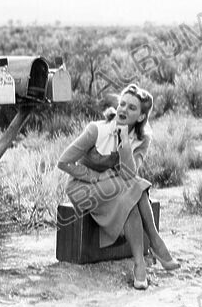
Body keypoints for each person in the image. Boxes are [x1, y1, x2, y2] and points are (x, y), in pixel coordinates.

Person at [57, 83, 180, 289]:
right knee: (136, 189)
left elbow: (129, 174)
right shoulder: (96, 130)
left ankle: (140, 265)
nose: (123, 109)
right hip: (83, 187)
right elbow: (63, 162)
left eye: (131, 108)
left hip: (116, 185)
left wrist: (124, 141)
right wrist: (94, 176)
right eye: (122, 104)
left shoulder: (142, 139)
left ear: (141, 117)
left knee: (132, 192)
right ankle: (155, 243)